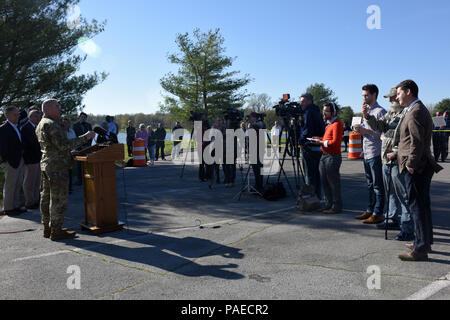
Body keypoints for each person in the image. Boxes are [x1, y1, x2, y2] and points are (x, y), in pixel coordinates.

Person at [395, 80, 443, 261]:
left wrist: (411, 164)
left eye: (399, 93)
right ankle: (423, 241)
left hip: (417, 167)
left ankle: (421, 248)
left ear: (408, 92)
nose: (397, 97)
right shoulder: (416, 109)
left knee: (417, 207)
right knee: (422, 206)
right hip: (420, 166)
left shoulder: (415, 112)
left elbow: (417, 141)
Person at [35, 99, 95, 240]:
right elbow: (62, 144)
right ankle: (56, 230)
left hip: (47, 164)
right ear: (48, 109)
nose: (60, 109)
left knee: (46, 198)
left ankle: (47, 228)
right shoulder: (50, 124)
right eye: (57, 106)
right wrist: (85, 137)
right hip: (57, 167)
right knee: (58, 199)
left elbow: (52, 147)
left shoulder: (41, 124)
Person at [364, 87, 414, 241]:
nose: (391, 101)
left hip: (396, 159)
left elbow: (408, 139)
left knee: (403, 195)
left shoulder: (405, 114)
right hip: (385, 159)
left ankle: (407, 228)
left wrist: (397, 152)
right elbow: (379, 127)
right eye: (390, 99)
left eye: (393, 98)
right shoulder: (390, 114)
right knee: (390, 192)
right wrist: (367, 117)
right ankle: (392, 218)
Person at [354, 84, 387, 224]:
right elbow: (366, 130)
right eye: (363, 95)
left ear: (374, 95)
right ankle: (370, 209)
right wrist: (359, 129)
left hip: (375, 153)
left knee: (377, 185)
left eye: (366, 95)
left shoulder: (380, 112)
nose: (364, 98)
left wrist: (366, 132)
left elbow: (382, 134)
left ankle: (378, 213)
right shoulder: (365, 111)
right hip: (366, 153)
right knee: (369, 184)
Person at [314, 103, 344, 214]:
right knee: (324, 182)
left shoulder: (337, 124)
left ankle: (336, 206)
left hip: (332, 157)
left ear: (333, 112)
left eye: (326, 111)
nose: (324, 113)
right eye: (324, 110)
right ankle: (328, 204)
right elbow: (328, 140)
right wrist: (319, 139)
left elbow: (335, 143)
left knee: (333, 183)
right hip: (325, 155)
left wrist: (321, 142)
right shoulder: (329, 125)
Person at [0, 106, 27, 216]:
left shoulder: (17, 126)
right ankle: (9, 208)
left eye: (18, 114)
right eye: (15, 115)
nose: (18, 116)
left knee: (17, 184)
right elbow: (2, 148)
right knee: (10, 185)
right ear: (7, 115)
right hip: (11, 162)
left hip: (19, 160)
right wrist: (8, 161)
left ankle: (16, 206)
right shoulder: (3, 128)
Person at [298, 93, 325, 198]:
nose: (301, 104)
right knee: (316, 174)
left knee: (309, 174)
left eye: (303, 101)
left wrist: (301, 141)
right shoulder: (317, 111)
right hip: (317, 146)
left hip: (309, 146)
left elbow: (307, 130)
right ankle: (317, 196)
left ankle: (311, 197)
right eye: (301, 102)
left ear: (310, 101)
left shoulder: (308, 112)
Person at [21, 109, 43, 210]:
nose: (38, 118)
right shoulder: (26, 128)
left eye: (39, 117)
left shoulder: (37, 127)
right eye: (36, 116)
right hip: (30, 160)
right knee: (29, 182)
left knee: (36, 182)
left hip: (38, 159)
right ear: (30, 117)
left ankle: (36, 200)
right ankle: (29, 202)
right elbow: (32, 144)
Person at [73, 112, 93, 185]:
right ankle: (79, 180)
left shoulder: (88, 125)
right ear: (79, 117)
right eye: (82, 117)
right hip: (79, 148)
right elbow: (75, 137)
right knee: (79, 165)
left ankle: (86, 179)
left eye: (84, 117)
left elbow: (91, 136)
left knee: (87, 164)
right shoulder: (75, 126)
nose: (83, 118)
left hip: (87, 148)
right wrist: (81, 146)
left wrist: (88, 145)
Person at [247, 112, 265, 193]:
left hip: (258, 150)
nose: (249, 119)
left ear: (255, 117)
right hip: (253, 149)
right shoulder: (253, 124)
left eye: (250, 117)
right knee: (255, 169)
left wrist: (251, 125)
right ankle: (257, 185)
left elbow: (260, 126)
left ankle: (259, 186)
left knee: (258, 169)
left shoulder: (259, 123)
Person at [61, 117, 77, 194]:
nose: (65, 124)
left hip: (72, 154)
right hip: (63, 156)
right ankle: (65, 189)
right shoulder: (60, 132)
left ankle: (70, 188)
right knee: (64, 172)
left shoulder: (72, 131)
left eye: (67, 123)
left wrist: (74, 150)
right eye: (64, 123)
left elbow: (75, 141)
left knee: (70, 171)